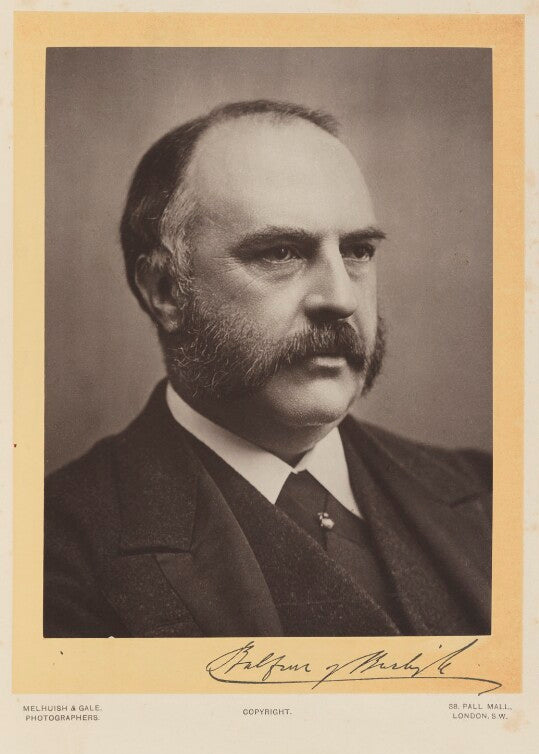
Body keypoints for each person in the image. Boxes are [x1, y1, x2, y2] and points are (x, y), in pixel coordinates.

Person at [44, 99, 492, 638]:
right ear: (164, 290)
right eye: (281, 253)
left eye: (357, 251)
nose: (341, 298)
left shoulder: (491, 494)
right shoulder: (53, 552)